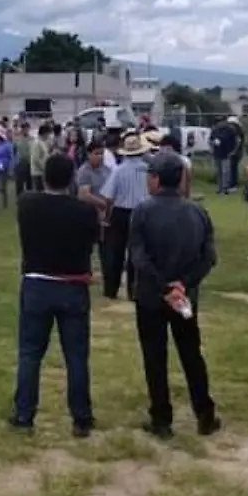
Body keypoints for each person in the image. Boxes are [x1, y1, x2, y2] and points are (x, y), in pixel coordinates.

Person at [128, 153, 221, 438]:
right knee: (192, 354)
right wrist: (183, 284)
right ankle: (205, 415)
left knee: (155, 358)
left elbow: (139, 259)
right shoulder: (197, 212)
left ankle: (161, 420)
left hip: (151, 297)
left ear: (155, 178)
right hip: (185, 297)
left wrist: (164, 287)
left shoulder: (142, 211)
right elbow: (209, 258)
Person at [10, 154, 100, 437]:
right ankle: (81, 418)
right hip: (73, 287)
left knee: (30, 354)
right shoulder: (85, 212)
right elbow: (92, 243)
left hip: (37, 284)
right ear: (72, 178)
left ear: (45, 177)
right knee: (75, 356)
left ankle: (24, 416)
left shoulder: (27, 205)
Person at [99, 133, 152, 301]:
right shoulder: (148, 170)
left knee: (115, 252)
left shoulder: (118, 171)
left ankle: (111, 289)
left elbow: (108, 197)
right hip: (142, 212)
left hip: (120, 212)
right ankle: (134, 290)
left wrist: (107, 216)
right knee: (137, 253)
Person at [75, 140, 112, 267]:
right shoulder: (84, 171)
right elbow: (83, 194)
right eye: (96, 154)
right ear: (89, 154)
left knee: (106, 248)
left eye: (102, 154)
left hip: (105, 215)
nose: (100, 157)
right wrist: (102, 204)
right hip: (90, 214)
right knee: (87, 247)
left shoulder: (107, 170)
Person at [209, 117, 240, 195]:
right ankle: (220, 188)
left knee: (225, 171)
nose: (220, 123)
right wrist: (213, 145)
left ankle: (225, 188)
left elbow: (236, 141)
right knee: (219, 172)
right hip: (217, 153)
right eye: (218, 122)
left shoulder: (230, 130)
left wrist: (233, 151)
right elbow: (210, 140)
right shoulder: (215, 130)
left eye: (221, 121)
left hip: (226, 154)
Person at [30, 124, 51, 191]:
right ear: (44, 133)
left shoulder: (43, 142)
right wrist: (44, 168)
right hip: (37, 173)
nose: (48, 136)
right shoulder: (37, 143)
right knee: (39, 192)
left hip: (41, 172)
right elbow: (36, 159)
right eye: (48, 134)